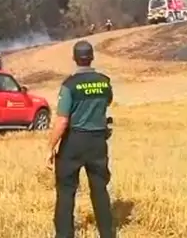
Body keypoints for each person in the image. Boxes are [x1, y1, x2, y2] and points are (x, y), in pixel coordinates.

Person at [47, 40, 115, 238]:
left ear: (75, 59)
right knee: (100, 189)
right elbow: (107, 101)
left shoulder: (69, 85)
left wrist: (50, 147)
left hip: (74, 142)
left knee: (67, 191)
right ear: (92, 57)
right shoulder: (104, 81)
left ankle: (64, 234)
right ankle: (107, 233)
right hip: (98, 142)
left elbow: (62, 121)